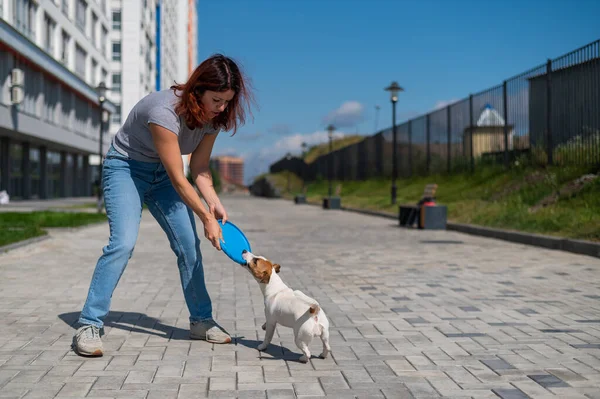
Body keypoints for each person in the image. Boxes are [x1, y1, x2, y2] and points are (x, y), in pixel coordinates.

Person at [73, 54, 254, 357]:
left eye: (227, 101)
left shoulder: (213, 120)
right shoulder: (164, 111)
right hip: (126, 168)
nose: (221, 107)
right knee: (123, 243)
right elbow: (179, 178)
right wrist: (205, 217)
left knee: (188, 245)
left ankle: (201, 321)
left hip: (163, 174)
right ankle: (89, 323)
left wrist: (214, 202)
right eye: (216, 100)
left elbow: (199, 168)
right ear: (198, 90)